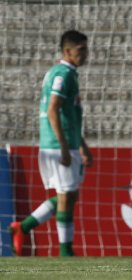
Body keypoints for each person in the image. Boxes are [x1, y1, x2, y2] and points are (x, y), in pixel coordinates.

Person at [9, 30, 92, 257]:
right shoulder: (62, 74)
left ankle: (22, 227)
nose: (86, 54)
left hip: (68, 143)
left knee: (70, 196)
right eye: (81, 50)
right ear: (68, 51)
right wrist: (64, 147)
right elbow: (52, 109)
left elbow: (70, 116)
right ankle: (66, 253)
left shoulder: (67, 73)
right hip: (57, 145)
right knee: (66, 197)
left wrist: (82, 146)